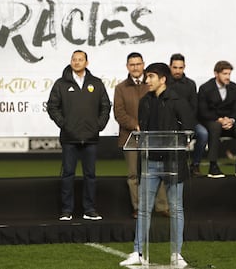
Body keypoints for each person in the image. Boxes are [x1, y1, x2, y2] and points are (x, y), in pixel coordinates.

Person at [120, 63, 195, 268]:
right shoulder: (145, 101)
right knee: (144, 209)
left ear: (163, 79)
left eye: (151, 76)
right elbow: (143, 132)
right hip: (150, 163)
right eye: (147, 77)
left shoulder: (179, 101)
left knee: (177, 209)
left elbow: (188, 131)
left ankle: (176, 254)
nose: (147, 80)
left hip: (174, 163)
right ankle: (138, 251)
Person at [47, 50, 111, 221]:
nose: (76, 62)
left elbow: (105, 106)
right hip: (69, 138)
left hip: (90, 138)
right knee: (68, 174)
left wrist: (98, 125)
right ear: (71, 62)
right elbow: (52, 107)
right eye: (74, 59)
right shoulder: (61, 84)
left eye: (80, 59)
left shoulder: (96, 83)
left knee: (90, 176)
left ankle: (89, 209)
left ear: (86, 63)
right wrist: (64, 124)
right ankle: (66, 210)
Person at [114, 52, 169, 219]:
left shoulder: (151, 85)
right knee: (133, 175)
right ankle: (139, 208)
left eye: (138, 64)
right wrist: (135, 125)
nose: (135, 67)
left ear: (143, 65)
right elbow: (119, 113)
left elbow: (160, 108)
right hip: (129, 138)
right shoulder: (121, 88)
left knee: (156, 172)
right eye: (132, 64)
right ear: (127, 67)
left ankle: (162, 207)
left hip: (153, 137)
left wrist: (149, 126)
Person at [198, 60, 236, 178]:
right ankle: (213, 166)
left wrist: (231, 120)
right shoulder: (205, 88)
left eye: (229, 74)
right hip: (212, 121)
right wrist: (219, 119)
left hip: (229, 122)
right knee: (215, 127)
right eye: (225, 74)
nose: (228, 77)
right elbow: (202, 111)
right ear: (216, 74)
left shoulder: (234, 87)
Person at [168, 53, 208, 177]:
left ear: (184, 67)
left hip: (189, 122)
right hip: (170, 123)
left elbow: (194, 107)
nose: (178, 71)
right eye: (175, 67)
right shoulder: (164, 83)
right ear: (170, 67)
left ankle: (195, 165)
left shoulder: (191, 84)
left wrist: (187, 125)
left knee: (203, 133)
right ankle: (173, 167)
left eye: (180, 68)